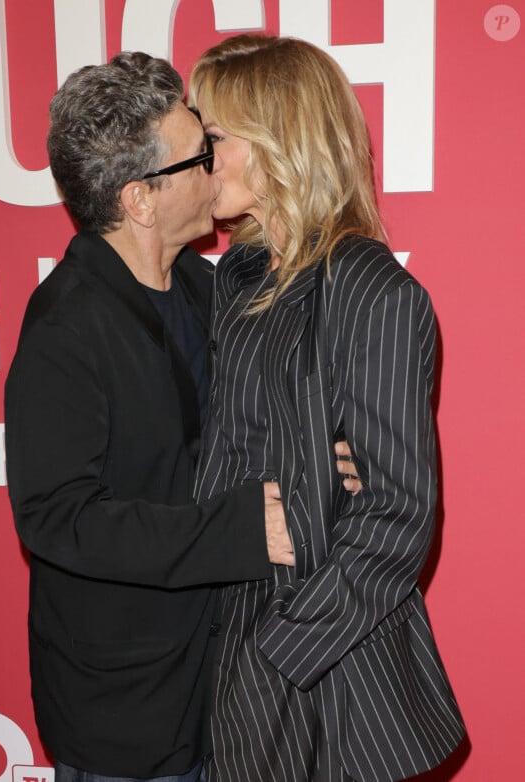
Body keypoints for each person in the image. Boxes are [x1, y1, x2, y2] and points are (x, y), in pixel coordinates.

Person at [5, 51, 360, 782]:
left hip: (225, 681)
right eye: (200, 152)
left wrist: (324, 457)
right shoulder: (66, 327)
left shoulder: (212, 285)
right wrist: (237, 529)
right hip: (126, 708)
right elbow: (57, 518)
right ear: (140, 199)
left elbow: (240, 431)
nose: (217, 164)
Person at [190, 34, 466, 782]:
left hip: (323, 671)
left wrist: (284, 653)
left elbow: (397, 513)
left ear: (281, 138)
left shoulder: (370, 288)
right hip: (225, 632)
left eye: (213, 137)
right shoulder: (237, 279)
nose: (198, 158)